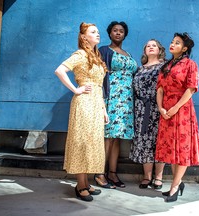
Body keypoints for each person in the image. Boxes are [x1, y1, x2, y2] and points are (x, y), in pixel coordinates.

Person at [54, 22, 109, 202]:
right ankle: (80, 184)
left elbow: (99, 86)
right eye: (93, 32)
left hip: (95, 102)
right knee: (82, 141)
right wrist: (76, 90)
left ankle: (85, 182)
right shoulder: (80, 54)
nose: (98, 34)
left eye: (98, 31)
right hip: (84, 103)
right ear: (84, 37)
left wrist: (103, 109)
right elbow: (60, 70)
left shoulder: (95, 55)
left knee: (91, 142)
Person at [155, 32, 199, 202]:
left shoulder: (191, 65)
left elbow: (191, 89)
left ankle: (175, 186)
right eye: (172, 42)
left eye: (177, 43)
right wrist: (161, 108)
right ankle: (177, 183)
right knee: (172, 150)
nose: (172, 44)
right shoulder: (166, 66)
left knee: (182, 149)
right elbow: (160, 88)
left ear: (184, 48)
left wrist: (175, 107)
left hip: (182, 110)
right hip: (166, 112)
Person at [94, 21, 137, 188]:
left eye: (121, 31)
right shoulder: (104, 51)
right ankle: (99, 173)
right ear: (110, 33)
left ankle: (112, 173)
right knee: (108, 137)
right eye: (115, 30)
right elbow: (97, 74)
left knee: (117, 138)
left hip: (126, 101)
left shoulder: (128, 54)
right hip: (111, 98)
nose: (118, 33)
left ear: (124, 35)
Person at [129, 39, 166, 189]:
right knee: (144, 141)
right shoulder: (139, 69)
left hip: (158, 108)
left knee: (159, 141)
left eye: (154, 45)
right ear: (145, 51)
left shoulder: (164, 67)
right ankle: (147, 176)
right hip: (141, 109)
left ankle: (159, 177)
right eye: (148, 46)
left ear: (159, 50)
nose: (151, 47)